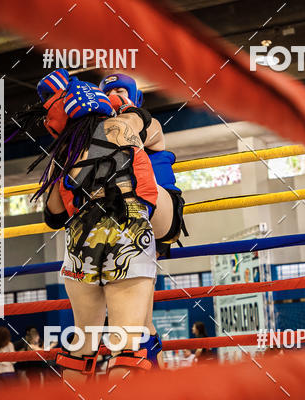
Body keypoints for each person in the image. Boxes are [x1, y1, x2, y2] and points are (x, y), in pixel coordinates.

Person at [29, 69, 159, 383]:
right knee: (126, 345)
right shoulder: (123, 126)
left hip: (80, 239)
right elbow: (148, 131)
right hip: (127, 229)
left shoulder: (65, 149)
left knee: (81, 345)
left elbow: (54, 215)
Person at [99, 73, 189, 368]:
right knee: (141, 321)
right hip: (127, 229)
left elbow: (130, 136)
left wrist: (122, 112)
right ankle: (158, 378)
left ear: (136, 96)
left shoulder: (150, 124)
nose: (114, 95)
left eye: (121, 90)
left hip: (160, 211)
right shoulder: (99, 135)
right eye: (109, 91)